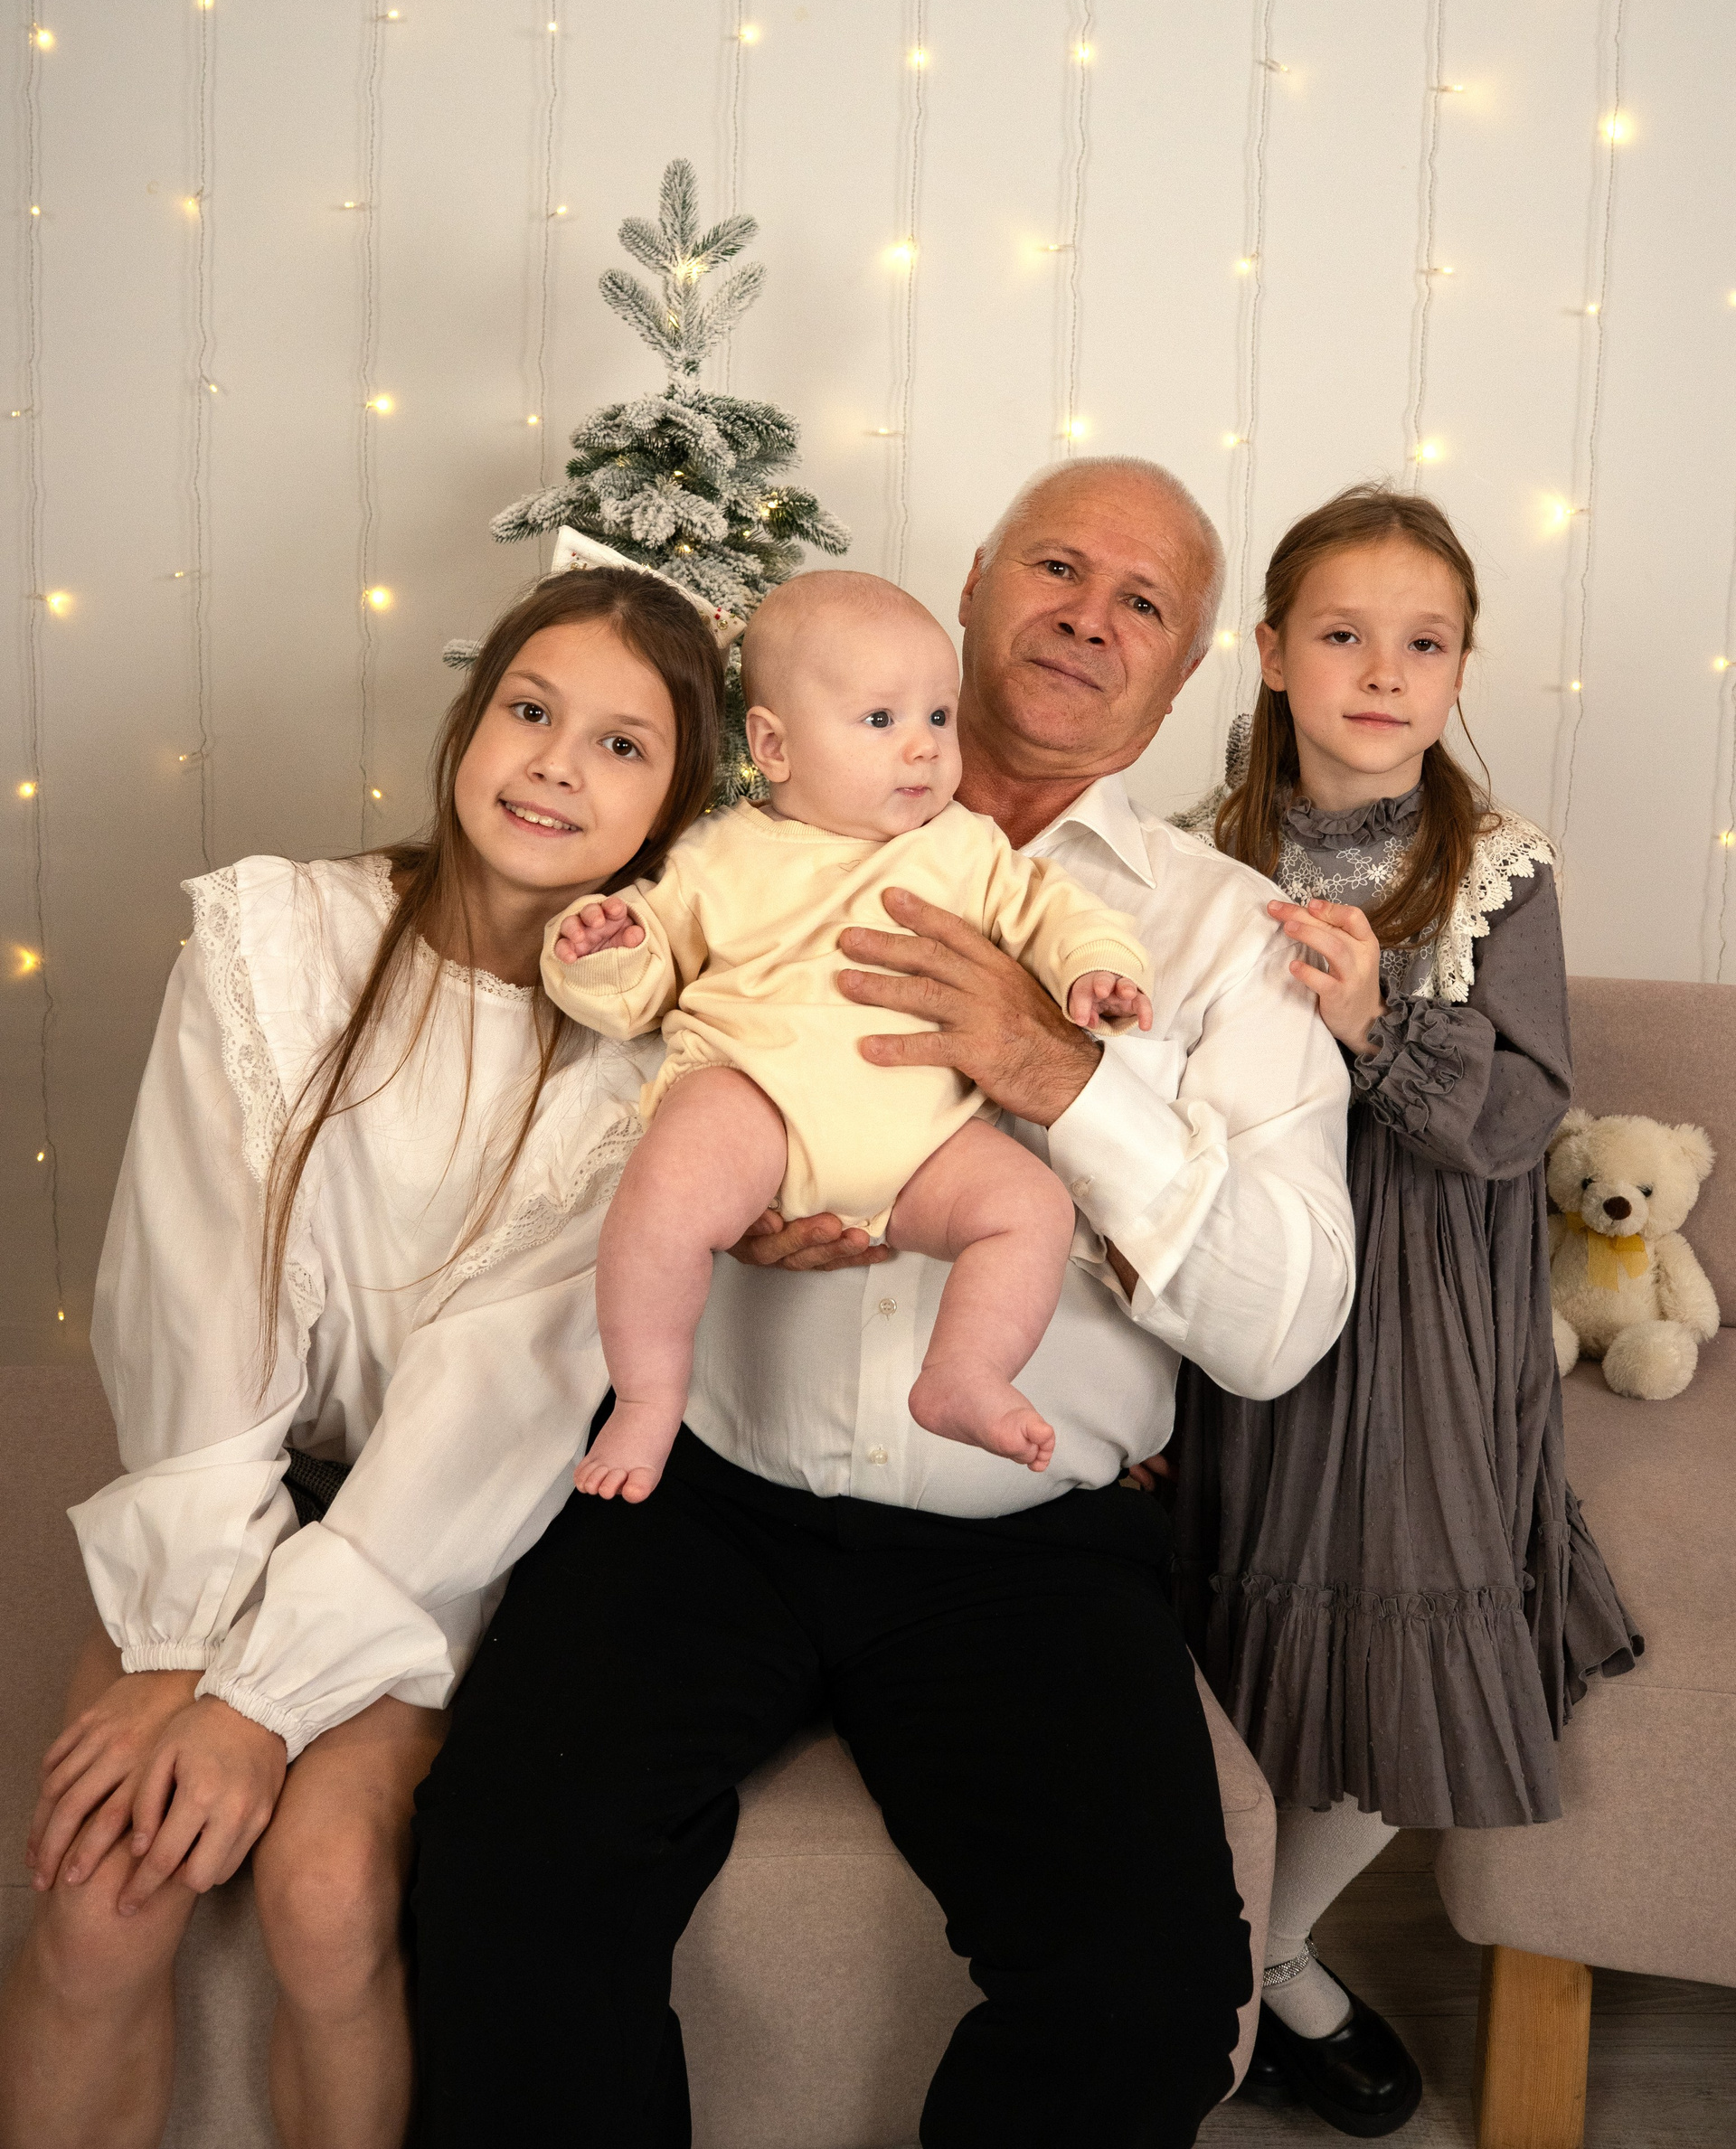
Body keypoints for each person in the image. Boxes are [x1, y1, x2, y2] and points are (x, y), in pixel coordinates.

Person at [410, 456, 1359, 2149]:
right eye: (1057, 567)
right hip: (701, 1497)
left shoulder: (1221, 935)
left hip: (1023, 1544)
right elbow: (567, 1052)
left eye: (1144, 602)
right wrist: (714, 1182)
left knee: (1147, 1996)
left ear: (1188, 671)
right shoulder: (729, 833)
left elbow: (1285, 1326)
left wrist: (1062, 1075)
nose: (1089, 615)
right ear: (976, 587)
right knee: (508, 1880)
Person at [0, 568, 724, 2149]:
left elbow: (495, 1402)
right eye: (530, 710)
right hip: (241, 1474)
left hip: (454, 1532)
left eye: (621, 746)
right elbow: (203, 1287)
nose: (554, 765)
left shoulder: (657, 1069)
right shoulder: (281, 941)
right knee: (109, 1884)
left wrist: (264, 1701)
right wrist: (185, 1636)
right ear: (470, 719)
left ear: (676, 808)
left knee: (329, 1887)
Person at [1169, 485, 1642, 2138]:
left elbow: (1519, 1116)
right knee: (1236, 1622)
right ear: (1272, 653)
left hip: (1419, 1303)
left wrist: (1377, 1023)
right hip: (1245, 1277)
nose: (1384, 671)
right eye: (1344, 634)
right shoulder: (1196, 854)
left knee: (1411, 1625)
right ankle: (1209, 1948)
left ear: (1459, 669)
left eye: (1424, 643)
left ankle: (1267, 1950)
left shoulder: (1496, 871)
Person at [547, 572, 1153, 1498]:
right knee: (665, 1192)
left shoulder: (963, 846)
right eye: (880, 719)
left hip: (925, 1142)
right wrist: (607, 950)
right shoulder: (720, 854)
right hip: (759, 1102)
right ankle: (648, 1393)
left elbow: (1052, 910)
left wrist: (1094, 967)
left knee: (1032, 1208)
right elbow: (639, 985)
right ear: (774, 746)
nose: (924, 745)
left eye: (939, 716)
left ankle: (965, 1371)